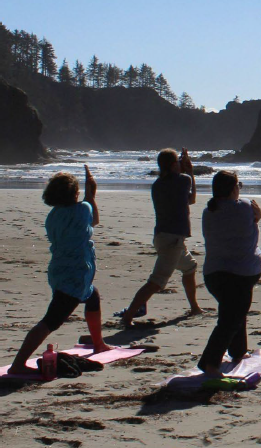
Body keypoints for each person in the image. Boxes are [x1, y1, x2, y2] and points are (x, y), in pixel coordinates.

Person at [9, 166, 110, 375]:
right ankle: (18, 363)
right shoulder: (82, 210)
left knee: (93, 297)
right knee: (50, 321)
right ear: (74, 194)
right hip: (74, 276)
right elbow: (96, 219)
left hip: (59, 272)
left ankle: (99, 343)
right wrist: (91, 194)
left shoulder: (53, 215)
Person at [120, 148, 201, 326]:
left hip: (163, 237)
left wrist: (183, 168)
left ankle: (194, 307)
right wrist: (191, 172)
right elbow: (192, 199)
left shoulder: (157, 184)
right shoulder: (183, 180)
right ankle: (128, 316)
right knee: (157, 281)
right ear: (174, 165)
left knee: (190, 268)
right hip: (173, 239)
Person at [197, 171, 261, 376]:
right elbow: (253, 217)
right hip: (240, 273)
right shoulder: (243, 207)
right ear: (233, 188)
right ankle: (210, 363)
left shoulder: (209, 210)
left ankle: (238, 351)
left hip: (214, 274)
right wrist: (258, 216)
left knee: (234, 312)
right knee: (230, 319)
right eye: (239, 185)